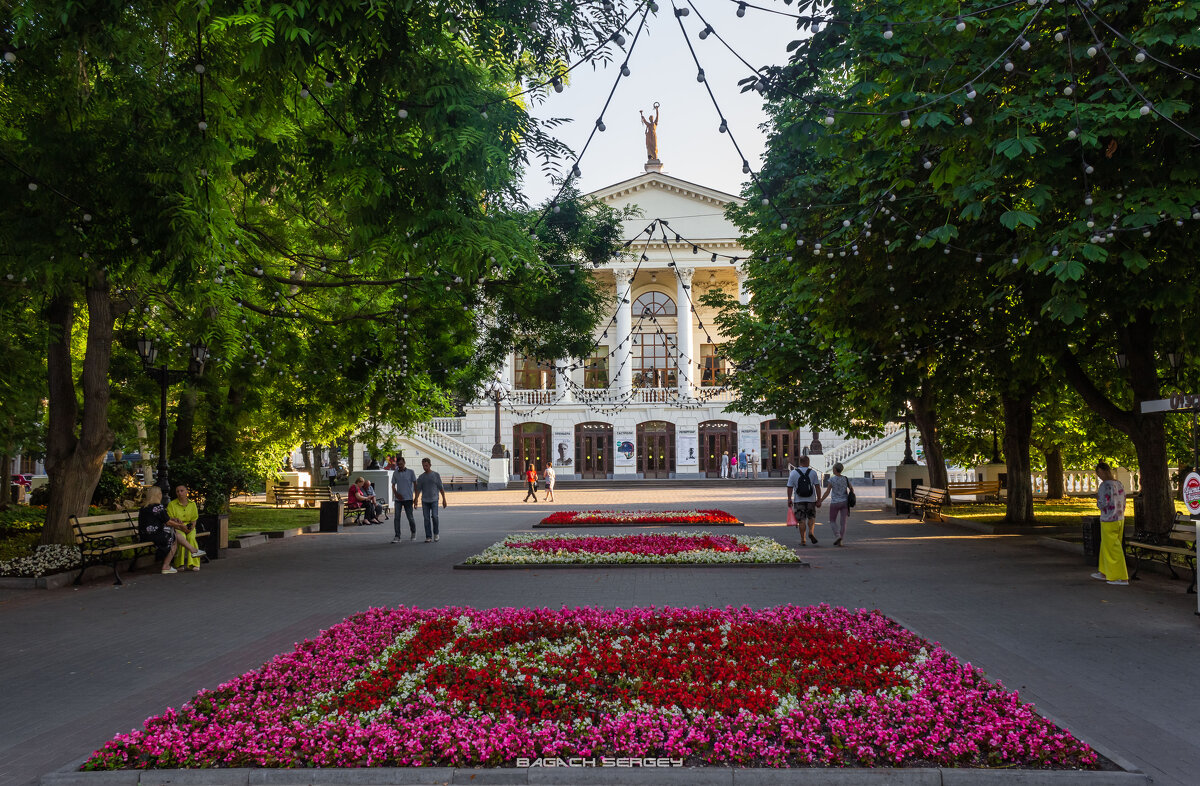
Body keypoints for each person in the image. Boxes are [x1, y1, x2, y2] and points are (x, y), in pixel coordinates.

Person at [138, 486, 204, 574]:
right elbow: (168, 522)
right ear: (158, 495)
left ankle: (193, 550)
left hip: (144, 535)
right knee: (173, 538)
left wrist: (175, 521)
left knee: (174, 533)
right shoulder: (158, 507)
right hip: (155, 535)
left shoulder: (144, 507)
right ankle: (166, 566)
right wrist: (181, 525)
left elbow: (161, 519)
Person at [1092, 462, 1129, 585]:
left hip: (1108, 518)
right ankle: (1104, 571)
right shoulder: (1119, 484)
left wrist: (1097, 501)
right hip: (1119, 518)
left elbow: (1103, 503)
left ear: (1102, 472)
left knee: (1113, 548)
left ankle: (1121, 576)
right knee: (1107, 546)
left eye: (1099, 473)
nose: (1099, 476)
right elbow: (1124, 499)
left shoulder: (1104, 486)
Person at [787, 455, 821, 546]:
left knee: (801, 520)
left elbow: (789, 487)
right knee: (811, 517)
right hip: (811, 500)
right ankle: (811, 532)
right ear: (808, 462)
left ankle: (803, 540)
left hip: (798, 500)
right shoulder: (813, 473)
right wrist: (819, 499)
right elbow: (817, 487)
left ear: (800, 462)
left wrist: (789, 499)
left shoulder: (793, 473)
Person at [168, 484, 202, 571]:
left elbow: (194, 520)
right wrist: (180, 526)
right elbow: (170, 520)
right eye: (177, 491)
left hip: (190, 526)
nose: (180, 493)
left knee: (191, 538)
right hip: (177, 526)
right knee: (181, 537)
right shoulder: (172, 504)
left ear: (186, 492)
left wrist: (190, 529)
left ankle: (194, 564)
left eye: (182, 491)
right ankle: (180, 564)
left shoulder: (192, 504)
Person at [819, 462, 853, 547]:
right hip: (844, 502)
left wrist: (821, 500)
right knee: (843, 522)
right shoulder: (845, 478)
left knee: (832, 520)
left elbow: (827, 492)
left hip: (834, 503)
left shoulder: (832, 480)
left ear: (835, 469)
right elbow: (851, 488)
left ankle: (837, 536)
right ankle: (841, 540)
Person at [413, 458, 447, 542]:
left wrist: (444, 499)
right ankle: (428, 536)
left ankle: (436, 533)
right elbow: (418, 490)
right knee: (426, 518)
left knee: (435, 517)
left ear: (430, 465)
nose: (425, 467)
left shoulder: (436, 475)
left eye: (426, 465)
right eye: (423, 466)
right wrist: (416, 500)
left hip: (434, 499)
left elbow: (441, 488)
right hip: (425, 500)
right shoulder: (421, 477)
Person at [390, 457, 418, 543]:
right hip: (398, 499)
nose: (400, 466)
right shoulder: (395, 473)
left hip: (408, 498)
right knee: (397, 518)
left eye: (401, 464)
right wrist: (396, 494)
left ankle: (413, 532)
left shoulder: (411, 472)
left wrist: (416, 498)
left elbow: (416, 485)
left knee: (410, 517)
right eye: (398, 464)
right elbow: (393, 485)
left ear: (404, 463)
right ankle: (397, 536)